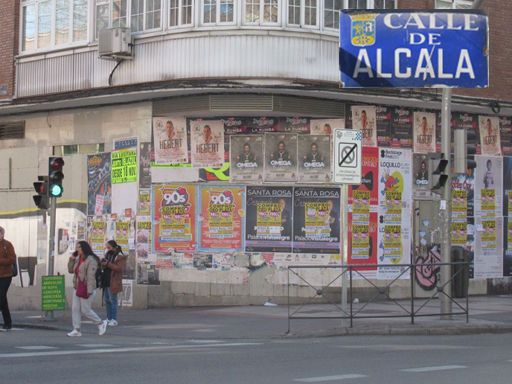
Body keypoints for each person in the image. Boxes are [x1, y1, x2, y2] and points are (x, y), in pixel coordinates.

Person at [67, 241, 108, 337]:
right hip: (77, 286)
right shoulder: (78, 259)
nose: (77, 249)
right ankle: (76, 329)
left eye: (79, 247)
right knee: (75, 308)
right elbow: (70, 270)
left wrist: (89, 290)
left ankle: (100, 323)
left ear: (84, 248)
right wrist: (71, 260)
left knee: (86, 310)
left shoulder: (91, 260)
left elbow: (91, 276)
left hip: (86, 287)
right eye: (76, 247)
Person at [100, 240, 127, 327]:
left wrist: (108, 263)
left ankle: (114, 319)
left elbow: (119, 268)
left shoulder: (120, 257)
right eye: (106, 247)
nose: (107, 249)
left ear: (114, 247)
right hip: (106, 280)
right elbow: (105, 266)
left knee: (113, 300)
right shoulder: (107, 255)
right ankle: (108, 318)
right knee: (107, 300)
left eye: (109, 247)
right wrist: (103, 263)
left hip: (113, 281)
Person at [0, 226, 16, 331]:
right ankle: (8, 323)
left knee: (1, 297)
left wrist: (1, 261)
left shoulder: (7, 244)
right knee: (3, 300)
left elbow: (12, 259)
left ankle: (7, 322)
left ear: (2, 234)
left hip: (6, 275)